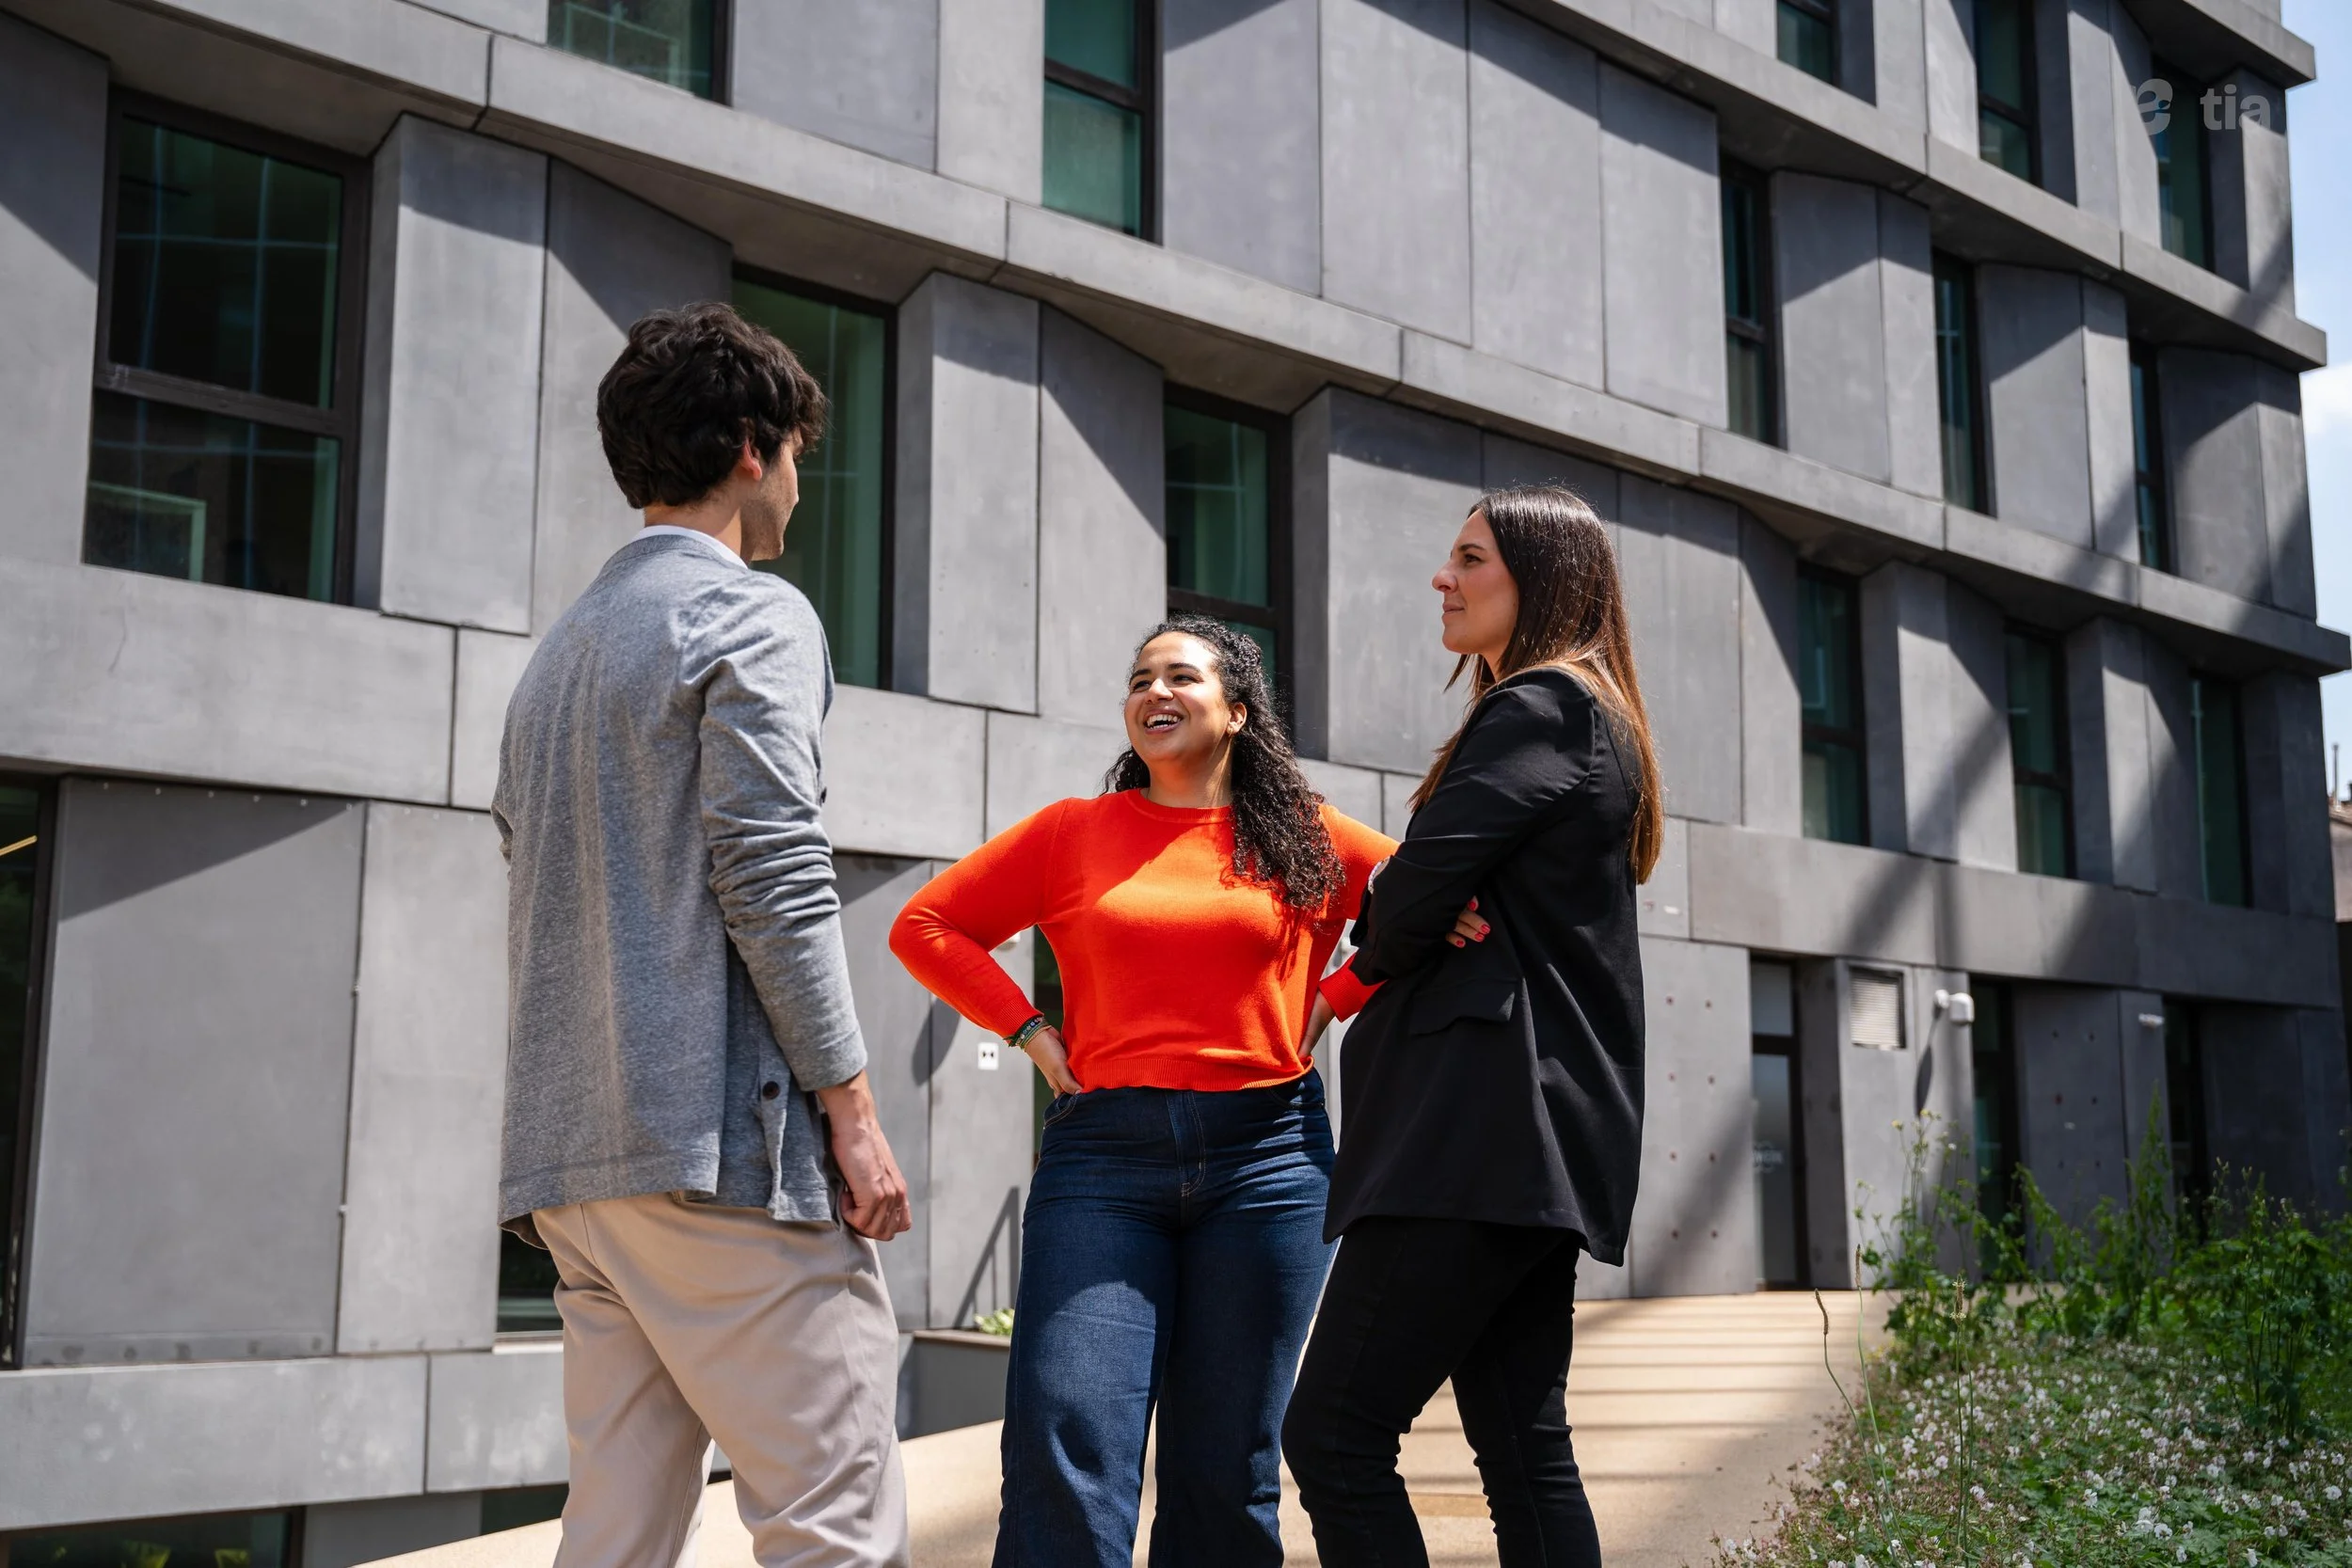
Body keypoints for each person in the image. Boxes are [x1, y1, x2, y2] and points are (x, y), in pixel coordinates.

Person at [493, 302, 914, 1568]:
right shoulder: (752, 616)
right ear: (751, 445)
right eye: (794, 450)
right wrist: (849, 1105)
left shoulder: (552, 661)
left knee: (615, 1535)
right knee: (835, 1523)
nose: (799, 480)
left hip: (576, 1169)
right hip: (722, 1152)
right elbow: (777, 870)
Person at [888, 616, 1407, 1568]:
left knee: (1226, 1461)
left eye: (1180, 675)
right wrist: (1032, 1032)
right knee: (1066, 1434)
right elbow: (926, 924)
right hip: (1103, 1160)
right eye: (1138, 679)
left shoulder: (1307, 835)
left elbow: (1426, 896)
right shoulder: (1071, 832)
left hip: (1270, 1158)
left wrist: (1335, 995)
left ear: (1239, 711)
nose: (1152, 692)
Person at [1281, 483, 1662, 1568]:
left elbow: (1403, 901)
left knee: (1335, 1433)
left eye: (1470, 558)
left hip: (1475, 1133)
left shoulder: (1544, 704)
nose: (1441, 579)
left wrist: (1403, 899)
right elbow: (1423, 897)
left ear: (1539, 579)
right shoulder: (1592, 713)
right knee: (1520, 1445)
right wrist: (1416, 896)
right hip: (1528, 1140)